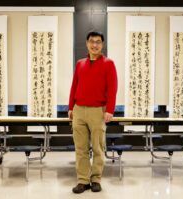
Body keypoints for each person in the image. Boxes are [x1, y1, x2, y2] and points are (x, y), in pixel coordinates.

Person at [68, 31, 118, 194]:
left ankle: (95, 179)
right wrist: (70, 107)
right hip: (79, 110)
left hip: (98, 110)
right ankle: (83, 180)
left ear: (102, 45)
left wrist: (110, 109)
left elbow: (113, 88)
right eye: (91, 41)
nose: (94, 45)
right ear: (87, 43)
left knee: (98, 147)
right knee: (80, 148)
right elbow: (74, 86)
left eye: (98, 42)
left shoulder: (108, 63)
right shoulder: (80, 63)